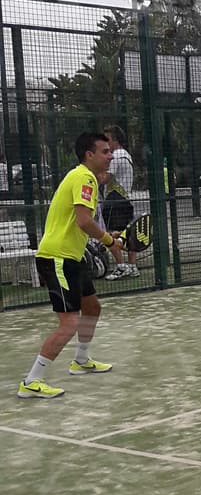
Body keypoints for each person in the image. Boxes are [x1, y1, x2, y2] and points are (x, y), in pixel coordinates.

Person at [18, 132, 123, 399]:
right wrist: (110, 241)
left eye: (110, 151)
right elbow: (84, 221)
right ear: (90, 155)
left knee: (92, 308)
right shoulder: (84, 177)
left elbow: (83, 222)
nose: (111, 156)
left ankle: (81, 360)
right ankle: (32, 381)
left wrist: (107, 238)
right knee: (69, 323)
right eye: (105, 152)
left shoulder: (82, 177)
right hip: (57, 258)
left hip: (71, 257)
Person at [102, 125, 138, 280]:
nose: (105, 143)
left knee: (110, 235)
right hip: (124, 199)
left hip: (115, 200)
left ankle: (121, 266)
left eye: (107, 139)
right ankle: (132, 266)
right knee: (127, 234)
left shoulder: (116, 156)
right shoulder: (126, 155)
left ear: (115, 140)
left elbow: (104, 179)